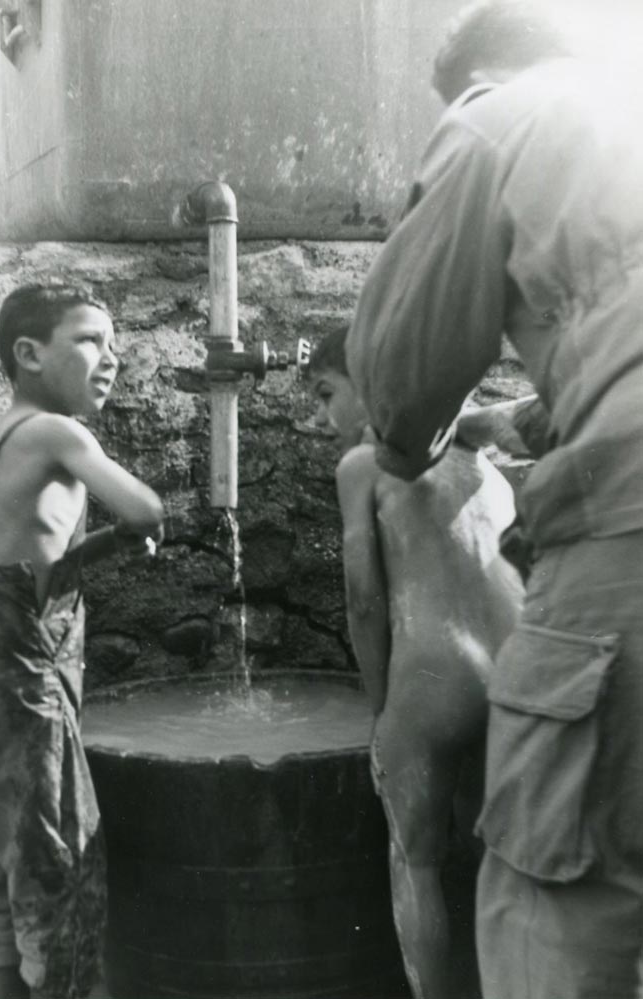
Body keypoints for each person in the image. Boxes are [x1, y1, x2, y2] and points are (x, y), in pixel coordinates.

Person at [345, 3, 643, 996]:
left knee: (527, 881)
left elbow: (400, 388)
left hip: (437, 673)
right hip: (498, 638)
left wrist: (374, 702)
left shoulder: (494, 112)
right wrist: (544, 413)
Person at [0, 284, 164, 999]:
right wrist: (141, 525)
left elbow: (31, 561)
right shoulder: (60, 433)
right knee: (57, 875)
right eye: (90, 341)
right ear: (28, 354)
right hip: (12, 670)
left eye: (113, 344)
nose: (111, 359)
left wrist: (111, 542)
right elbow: (148, 505)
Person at [308, 328, 523, 999]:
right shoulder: (483, 460)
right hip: (516, 666)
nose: (322, 417)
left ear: (371, 385)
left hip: (434, 674)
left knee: (417, 858)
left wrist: (382, 712)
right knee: (508, 859)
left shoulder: (365, 464)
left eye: (325, 393)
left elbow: (364, 598)